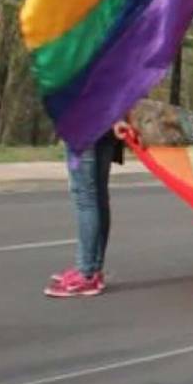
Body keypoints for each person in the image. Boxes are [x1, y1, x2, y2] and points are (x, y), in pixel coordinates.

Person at [44, 122, 130, 298]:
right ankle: (92, 268)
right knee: (98, 194)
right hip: (105, 122)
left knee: (85, 196)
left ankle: (86, 274)